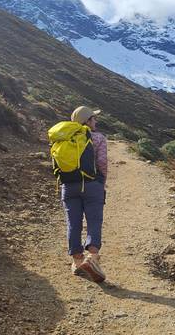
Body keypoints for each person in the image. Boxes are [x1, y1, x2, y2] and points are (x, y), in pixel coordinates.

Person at [63, 106, 108, 282]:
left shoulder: (64, 137)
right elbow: (102, 163)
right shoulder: (98, 138)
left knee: (73, 223)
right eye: (93, 118)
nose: (96, 121)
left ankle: (77, 261)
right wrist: (101, 184)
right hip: (91, 185)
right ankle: (92, 259)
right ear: (87, 121)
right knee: (94, 221)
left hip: (68, 186)